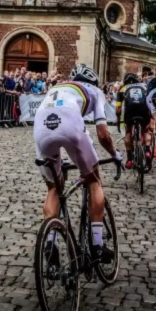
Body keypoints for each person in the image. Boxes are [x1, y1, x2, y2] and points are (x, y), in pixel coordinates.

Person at [33, 64, 121, 266]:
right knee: (94, 179)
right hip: (70, 125)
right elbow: (103, 134)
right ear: (94, 82)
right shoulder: (96, 92)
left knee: (54, 187)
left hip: (41, 127)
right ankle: (97, 245)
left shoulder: (57, 87)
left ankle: (49, 242)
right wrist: (115, 154)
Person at [116, 73, 152, 170]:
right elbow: (150, 101)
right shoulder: (144, 86)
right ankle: (148, 150)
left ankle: (130, 159)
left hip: (130, 110)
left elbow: (118, 109)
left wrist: (118, 121)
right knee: (145, 131)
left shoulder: (122, 89)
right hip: (143, 109)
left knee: (128, 131)